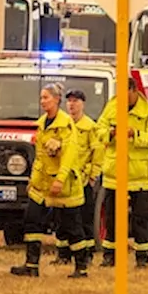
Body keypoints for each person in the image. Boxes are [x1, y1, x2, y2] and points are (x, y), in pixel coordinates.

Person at [11, 83, 91, 278]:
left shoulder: (66, 124)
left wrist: (60, 179)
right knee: (31, 220)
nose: (42, 102)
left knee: (71, 226)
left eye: (46, 98)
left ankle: (81, 267)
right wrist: (34, 181)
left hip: (64, 186)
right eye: (41, 98)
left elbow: (70, 155)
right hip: (42, 184)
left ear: (56, 100)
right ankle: (31, 265)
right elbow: (39, 158)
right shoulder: (41, 124)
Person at [95, 78, 148, 268]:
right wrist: (111, 133)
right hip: (114, 174)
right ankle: (110, 255)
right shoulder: (112, 107)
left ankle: (142, 257)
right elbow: (98, 130)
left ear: (134, 90)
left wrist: (135, 135)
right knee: (111, 217)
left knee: (140, 218)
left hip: (139, 174)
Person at [55, 89, 104, 264]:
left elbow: (98, 153)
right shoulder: (63, 125)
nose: (72, 105)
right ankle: (62, 255)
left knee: (84, 219)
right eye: (69, 101)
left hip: (82, 181)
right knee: (62, 218)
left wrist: (92, 177)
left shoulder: (90, 127)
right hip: (65, 180)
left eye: (76, 101)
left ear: (83, 104)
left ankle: (87, 254)